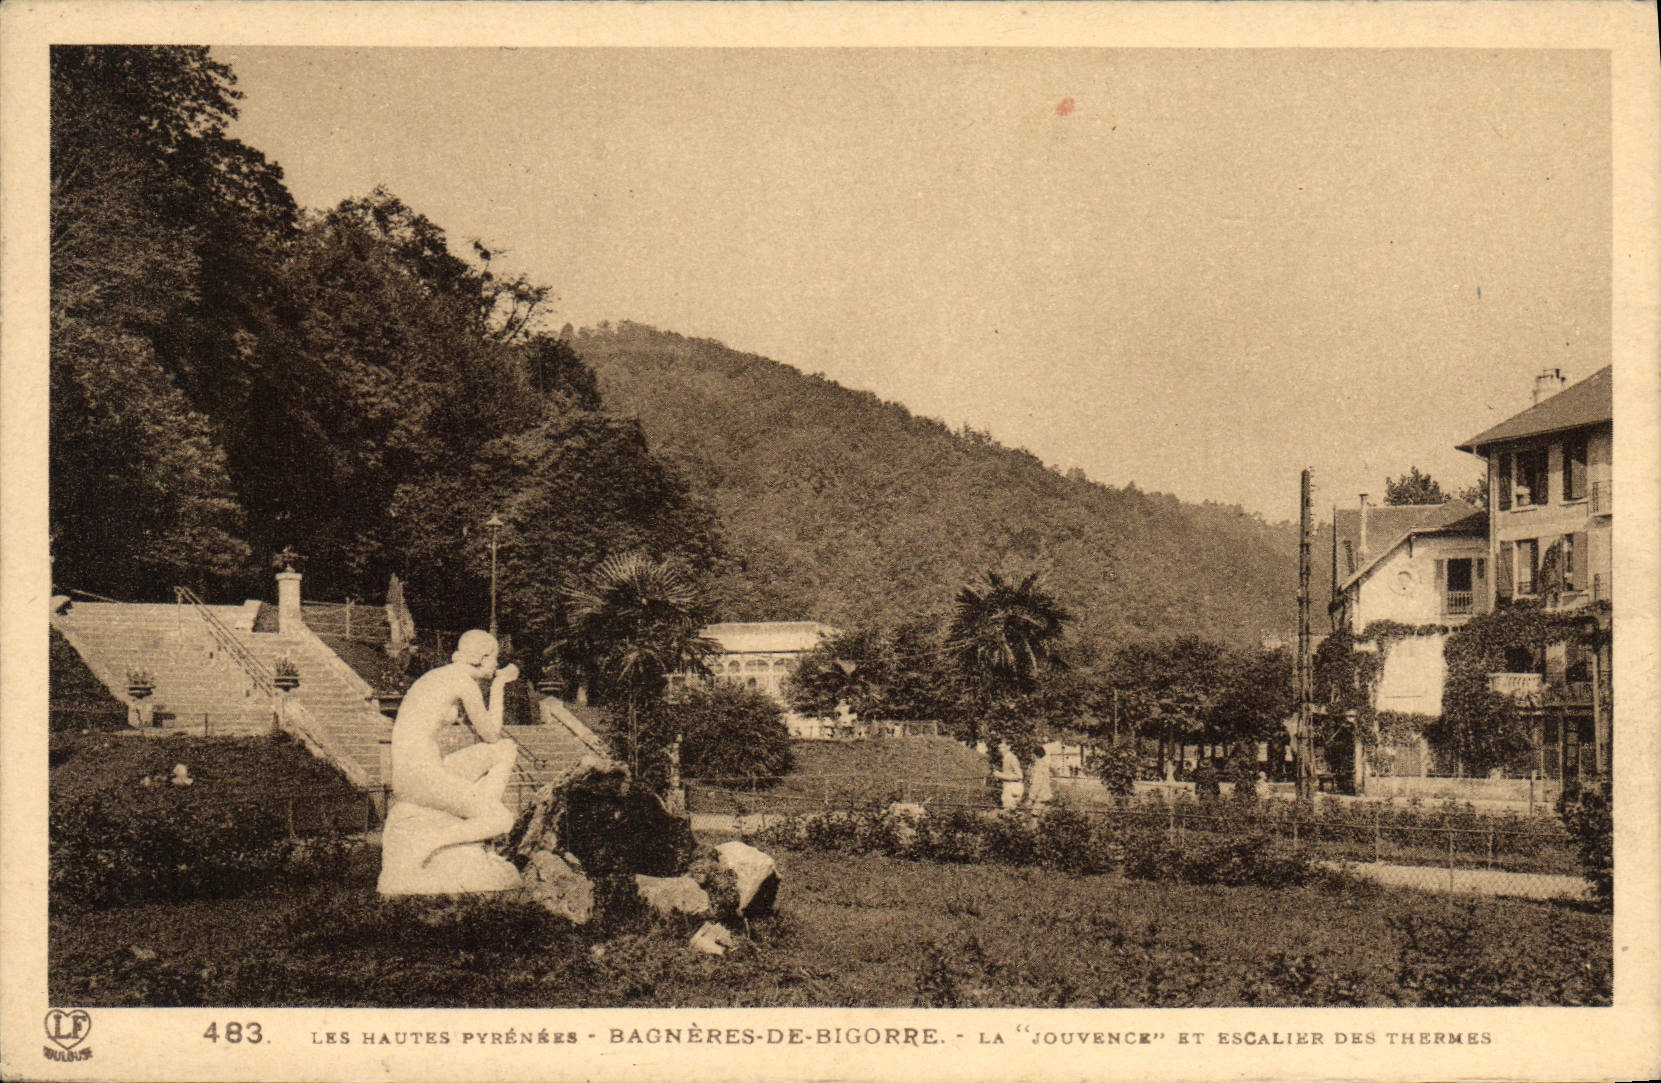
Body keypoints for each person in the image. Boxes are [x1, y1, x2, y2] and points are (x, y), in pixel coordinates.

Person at [387, 629, 521, 856]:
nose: (497, 664)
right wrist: (499, 686)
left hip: (413, 773)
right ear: (482, 657)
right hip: (422, 778)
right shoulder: (463, 682)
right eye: (495, 658)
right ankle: (431, 843)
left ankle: (480, 821)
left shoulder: (437, 676)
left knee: (505, 750)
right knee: (501, 819)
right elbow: (491, 733)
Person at [991, 743, 1024, 810]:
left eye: (1003, 747)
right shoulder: (1006, 758)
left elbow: (1019, 776)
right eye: (999, 748)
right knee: (1008, 810)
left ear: (1008, 747)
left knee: (1009, 810)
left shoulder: (1012, 758)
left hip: (1013, 787)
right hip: (1008, 787)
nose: (1000, 750)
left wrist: (1000, 775)